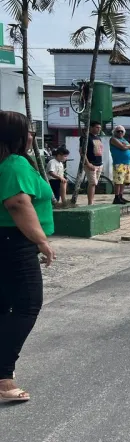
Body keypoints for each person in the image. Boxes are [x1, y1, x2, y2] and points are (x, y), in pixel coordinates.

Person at [0, 111, 56, 402]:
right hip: (15, 242)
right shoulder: (15, 163)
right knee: (27, 305)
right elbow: (19, 203)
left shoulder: (9, 162)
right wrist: (42, 241)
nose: (33, 135)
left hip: (7, 241)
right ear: (17, 135)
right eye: (30, 130)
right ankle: (3, 377)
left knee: (5, 306)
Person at [110, 125, 130, 204]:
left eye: (121, 131)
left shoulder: (124, 140)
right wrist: (129, 146)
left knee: (123, 181)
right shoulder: (113, 139)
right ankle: (116, 197)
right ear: (114, 132)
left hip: (126, 163)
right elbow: (122, 147)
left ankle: (121, 196)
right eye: (118, 131)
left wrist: (128, 146)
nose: (120, 132)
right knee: (118, 181)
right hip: (119, 163)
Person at [83, 120, 104, 206]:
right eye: (96, 127)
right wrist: (88, 163)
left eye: (99, 127)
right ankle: (90, 203)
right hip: (91, 163)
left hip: (99, 163)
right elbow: (82, 152)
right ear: (91, 127)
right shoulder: (86, 137)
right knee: (92, 183)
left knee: (94, 183)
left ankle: (92, 201)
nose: (98, 129)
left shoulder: (98, 138)